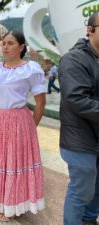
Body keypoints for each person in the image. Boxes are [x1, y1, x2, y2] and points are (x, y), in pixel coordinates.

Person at [0, 31, 46, 222]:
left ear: (21, 47)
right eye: (3, 43)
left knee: (16, 164)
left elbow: (40, 103)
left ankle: (14, 206)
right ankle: (3, 202)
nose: (5, 47)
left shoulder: (31, 69)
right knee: (0, 161)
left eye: (10, 43)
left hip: (19, 122)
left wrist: (31, 128)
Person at [58, 11, 99, 225]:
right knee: (81, 191)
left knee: (97, 186)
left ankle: (89, 220)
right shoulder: (73, 59)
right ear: (90, 30)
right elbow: (77, 99)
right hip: (79, 140)